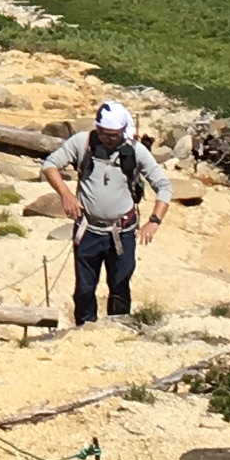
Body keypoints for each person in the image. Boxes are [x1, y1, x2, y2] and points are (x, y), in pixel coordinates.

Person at [42, 99, 171, 323]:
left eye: (113, 135)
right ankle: (83, 328)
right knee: (84, 288)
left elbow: (164, 186)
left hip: (122, 232)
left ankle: (118, 328)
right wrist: (66, 194)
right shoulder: (83, 143)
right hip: (88, 230)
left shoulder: (135, 151)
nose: (107, 139)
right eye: (103, 133)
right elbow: (50, 165)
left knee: (120, 284)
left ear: (122, 130)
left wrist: (154, 220)